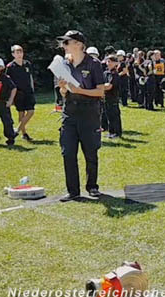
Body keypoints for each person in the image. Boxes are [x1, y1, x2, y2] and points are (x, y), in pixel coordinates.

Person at [56, 30, 105, 202]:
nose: (63, 46)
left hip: (89, 113)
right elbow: (63, 93)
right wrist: (63, 87)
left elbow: (100, 91)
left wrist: (80, 90)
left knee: (90, 152)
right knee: (68, 152)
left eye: (67, 42)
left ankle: (92, 186)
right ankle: (73, 191)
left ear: (78, 44)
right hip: (69, 113)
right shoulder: (64, 64)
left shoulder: (94, 63)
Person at [6, 45, 36, 141]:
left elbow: (30, 77)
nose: (19, 54)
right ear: (13, 54)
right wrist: (10, 96)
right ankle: (24, 134)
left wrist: (32, 89)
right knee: (21, 113)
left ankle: (17, 130)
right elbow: (8, 82)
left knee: (31, 111)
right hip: (18, 93)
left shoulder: (27, 64)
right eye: (17, 52)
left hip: (28, 91)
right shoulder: (10, 67)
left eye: (21, 52)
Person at [103, 54, 123, 138]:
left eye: (110, 61)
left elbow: (109, 86)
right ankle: (111, 131)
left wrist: (100, 87)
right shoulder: (106, 73)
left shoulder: (114, 74)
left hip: (113, 97)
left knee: (114, 115)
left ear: (115, 63)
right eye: (107, 61)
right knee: (109, 115)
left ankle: (117, 132)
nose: (108, 63)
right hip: (106, 97)